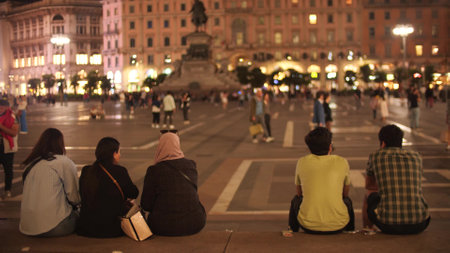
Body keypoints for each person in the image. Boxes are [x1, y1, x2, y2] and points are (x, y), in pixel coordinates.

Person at [362, 125, 430, 234]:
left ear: (383, 143)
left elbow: (369, 185)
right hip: (421, 222)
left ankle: (368, 229)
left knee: (369, 194)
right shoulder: (416, 157)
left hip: (388, 223)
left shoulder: (376, 156)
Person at [289, 127, 354, 234]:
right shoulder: (342, 162)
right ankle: (351, 232)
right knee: (348, 201)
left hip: (308, 225)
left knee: (295, 200)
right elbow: (345, 194)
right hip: (339, 225)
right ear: (330, 147)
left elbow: (299, 193)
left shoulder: (302, 162)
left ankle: (292, 232)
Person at [141, 130, 206, 236]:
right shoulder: (191, 165)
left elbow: (146, 205)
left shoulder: (154, 170)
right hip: (195, 223)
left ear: (160, 146)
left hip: (163, 226)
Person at [19, 128, 80, 237]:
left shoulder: (30, 164)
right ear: (60, 143)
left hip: (26, 226)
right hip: (55, 226)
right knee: (82, 217)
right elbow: (74, 197)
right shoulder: (63, 162)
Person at [77, 137, 139, 238]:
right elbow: (133, 193)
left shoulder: (87, 171)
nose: (120, 155)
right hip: (110, 229)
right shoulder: (120, 171)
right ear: (114, 154)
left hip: (86, 228)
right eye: (119, 152)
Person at [0, 99, 19, 199]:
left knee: (8, 170)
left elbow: (13, 133)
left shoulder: (12, 117)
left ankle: (8, 190)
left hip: (7, 147)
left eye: (2, 107)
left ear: (7, 108)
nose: (0, 109)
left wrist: (1, 127)